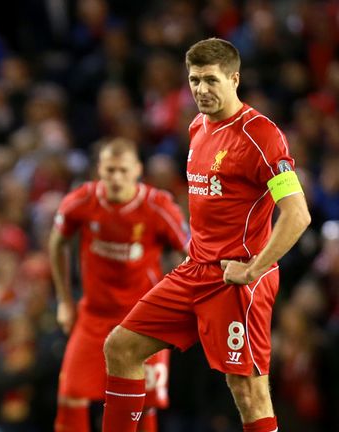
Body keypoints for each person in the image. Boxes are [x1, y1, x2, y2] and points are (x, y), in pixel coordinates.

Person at [100, 38, 311, 432]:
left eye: (211, 80)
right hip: (194, 271)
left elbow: (297, 216)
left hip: (238, 279)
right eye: (194, 80)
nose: (201, 90)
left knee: (248, 391)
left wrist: (253, 270)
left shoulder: (262, 136)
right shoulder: (198, 126)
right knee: (121, 347)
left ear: (234, 79)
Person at [49, 138, 188, 432]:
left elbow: (191, 252)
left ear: (137, 170)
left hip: (142, 321)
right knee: (70, 396)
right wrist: (64, 300)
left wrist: (176, 304)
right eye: (110, 170)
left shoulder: (157, 206)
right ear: (99, 168)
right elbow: (57, 242)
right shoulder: (81, 201)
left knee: (141, 406)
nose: (116, 178)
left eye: (123, 171)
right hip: (94, 315)